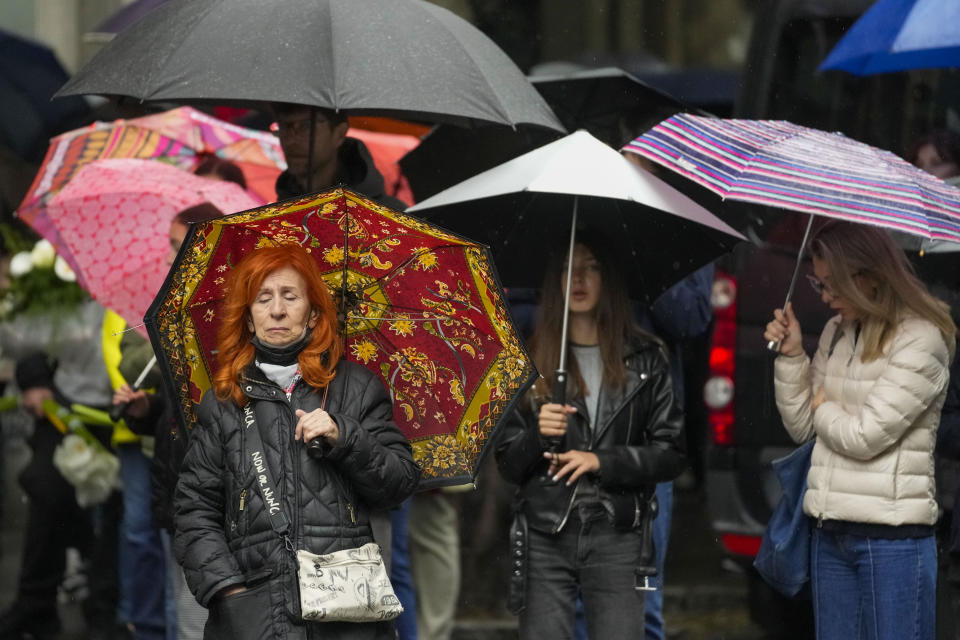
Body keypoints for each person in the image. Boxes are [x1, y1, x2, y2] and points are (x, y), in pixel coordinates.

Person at [173, 243, 420, 639]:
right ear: (249, 320)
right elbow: (194, 509)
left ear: (314, 313)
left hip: (347, 616)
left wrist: (345, 436)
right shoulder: (222, 402)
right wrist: (227, 590)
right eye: (263, 299)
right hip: (254, 614)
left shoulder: (357, 388)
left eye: (290, 296)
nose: (277, 310)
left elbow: (398, 484)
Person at [763, 220, 956, 640]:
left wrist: (824, 407)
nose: (827, 297)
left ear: (869, 276)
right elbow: (801, 427)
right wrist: (792, 356)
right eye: (819, 284)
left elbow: (866, 436)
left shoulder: (922, 337)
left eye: (833, 285)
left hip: (893, 541)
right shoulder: (836, 332)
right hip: (830, 530)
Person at [495, 233, 687, 640]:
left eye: (591, 267)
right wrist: (535, 434)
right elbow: (509, 464)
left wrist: (603, 461)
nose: (579, 278)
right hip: (546, 532)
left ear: (610, 278)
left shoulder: (647, 358)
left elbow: (671, 453)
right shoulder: (528, 361)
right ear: (555, 279)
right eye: (568, 267)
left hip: (617, 531)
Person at [113, 202, 225, 640]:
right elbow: (182, 405)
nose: (167, 258)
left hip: (208, 487)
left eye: (177, 246)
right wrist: (151, 409)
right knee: (178, 605)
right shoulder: (174, 310)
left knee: (201, 610)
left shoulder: (226, 316)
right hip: (175, 475)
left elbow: (215, 407)